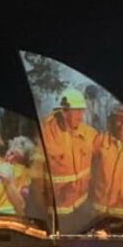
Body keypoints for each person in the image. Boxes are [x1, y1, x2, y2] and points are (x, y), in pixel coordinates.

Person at [40, 87, 97, 228]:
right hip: (57, 213)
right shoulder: (45, 134)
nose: (81, 116)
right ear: (64, 112)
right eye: (77, 111)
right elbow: (35, 180)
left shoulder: (88, 133)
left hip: (81, 206)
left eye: (82, 111)